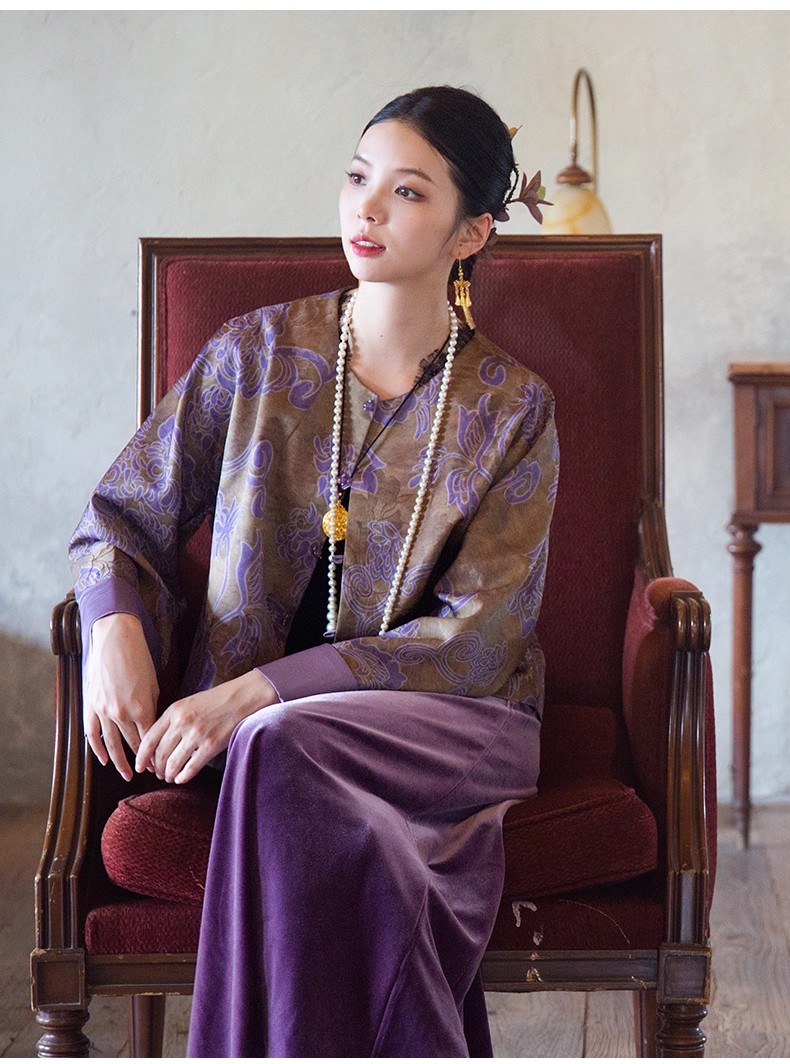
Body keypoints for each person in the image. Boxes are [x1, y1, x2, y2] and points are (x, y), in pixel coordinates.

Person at [69, 85, 559, 1057]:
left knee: (278, 739)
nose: (366, 207)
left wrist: (258, 693)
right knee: (311, 785)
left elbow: (476, 640)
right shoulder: (252, 354)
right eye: (357, 176)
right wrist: (112, 629)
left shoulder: (512, 407)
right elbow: (121, 513)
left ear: (470, 232)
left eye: (408, 191)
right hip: (264, 745)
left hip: (455, 726)